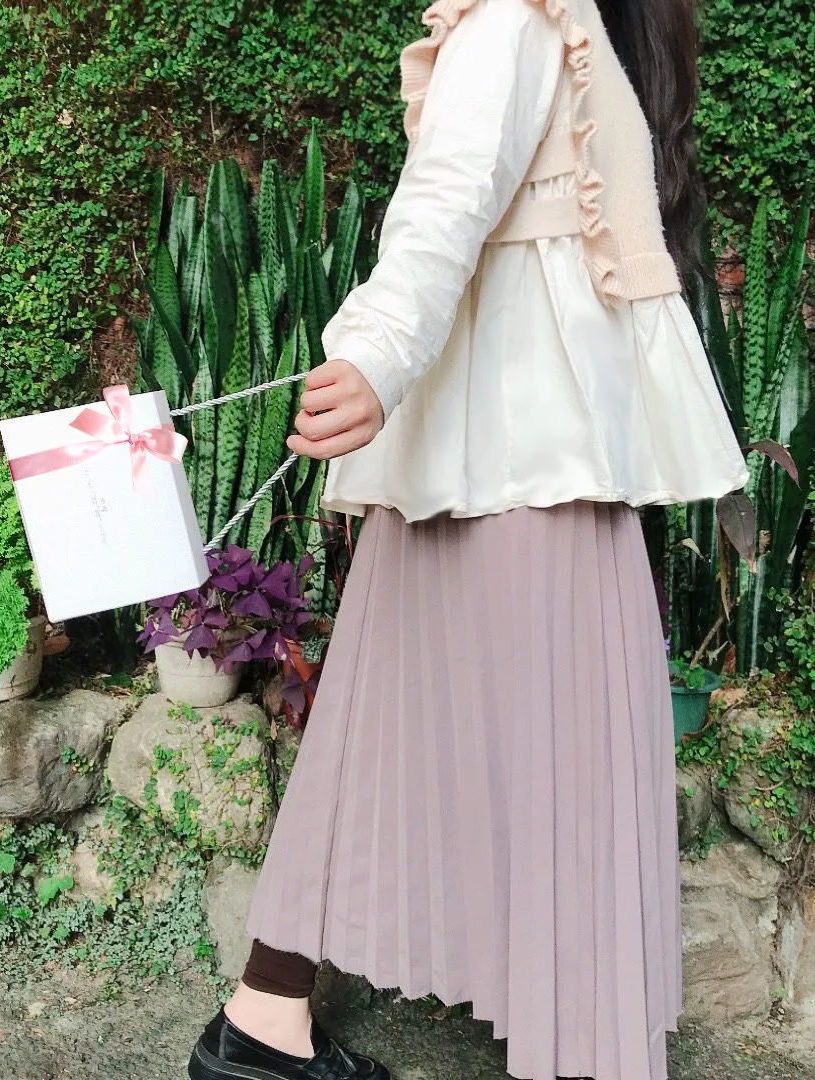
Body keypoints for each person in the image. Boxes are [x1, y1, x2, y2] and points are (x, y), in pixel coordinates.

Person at [188, 0, 748, 1077]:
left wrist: (385, 362)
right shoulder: (519, 22)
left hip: (497, 449)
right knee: (561, 746)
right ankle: (569, 1043)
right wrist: (377, 353)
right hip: (532, 455)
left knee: (385, 731)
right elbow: (443, 200)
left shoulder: (558, 23)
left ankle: (263, 1019)